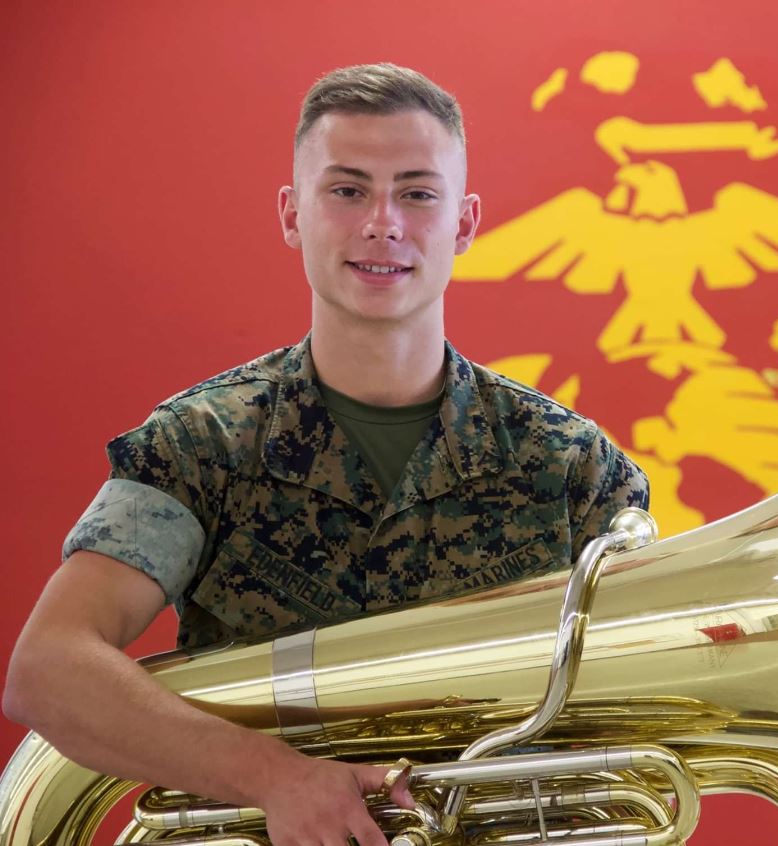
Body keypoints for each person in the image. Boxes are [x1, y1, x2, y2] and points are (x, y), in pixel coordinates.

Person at [2, 64, 648, 846]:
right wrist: (273, 777)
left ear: (464, 223)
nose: (383, 224)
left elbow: (653, 696)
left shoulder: (574, 467)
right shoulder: (201, 444)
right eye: (347, 190)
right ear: (292, 213)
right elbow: (48, 669)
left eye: (417, 193)